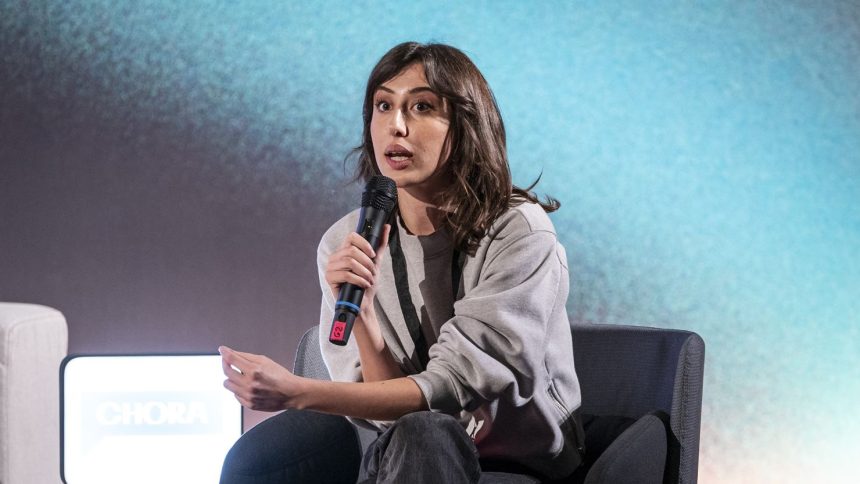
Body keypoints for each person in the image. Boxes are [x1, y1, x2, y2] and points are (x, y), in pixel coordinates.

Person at [219, 42, 584, 484]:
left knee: (427, 433)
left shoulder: (518, 232)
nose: (396, 126)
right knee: (265, 459)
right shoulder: (347, 240)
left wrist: (299, 392)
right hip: (402, 452)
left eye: (422, 107)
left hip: (516, 462)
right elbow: (386, 421)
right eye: (383, 105)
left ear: (466, 125)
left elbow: (451, 392)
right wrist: (366, 324)